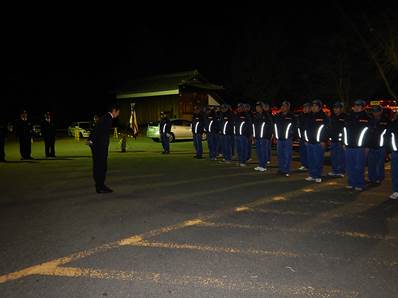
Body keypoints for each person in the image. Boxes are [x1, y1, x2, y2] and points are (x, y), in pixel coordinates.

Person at [88, 104, 120, 193]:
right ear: (114, 111)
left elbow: (96, 128)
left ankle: (99, 185)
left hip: (97, 146)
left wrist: (90, 140)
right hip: (100, 147)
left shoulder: (104, 117)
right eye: (118, 112)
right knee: (101, 166)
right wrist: (91, 140)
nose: (118, 114)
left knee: (98, 166)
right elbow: (98, 130)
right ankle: (100, 186)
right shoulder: (108, 118)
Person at [344, 99, 371, 191]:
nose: (357, 107)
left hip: (360, 146)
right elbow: (344, 131)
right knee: (350, 166)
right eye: (355, 105)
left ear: (363, 107)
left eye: (359, 106)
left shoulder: (367, 117)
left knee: (359, 166)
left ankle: (360, 183)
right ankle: (351, 182)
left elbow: (370, 134)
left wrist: (367, 146)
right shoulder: (349, 116)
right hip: (349, 145)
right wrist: (344, 142)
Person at [304, 100, 329, 183]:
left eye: (315, 106)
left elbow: (327, 130)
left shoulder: (324, 117)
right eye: (312, 106)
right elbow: (306, 129)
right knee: (311, 159)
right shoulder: (309, 116)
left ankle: (318, 175)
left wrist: (324, 141)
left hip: (319, 142)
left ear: (319, 107)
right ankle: (312, 175)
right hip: (310, 141)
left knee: (318, 159)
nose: (313, 107)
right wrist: (306, 140)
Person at [367, 105, 390, 184]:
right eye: (373, 111)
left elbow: (389, 136)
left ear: (381, 111)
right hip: (371, 146)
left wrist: (387, 149)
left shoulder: (386, 121)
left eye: (377, 111)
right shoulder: (370, 120)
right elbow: (367, 134)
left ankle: (379, 178)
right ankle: (371, 178)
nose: (375, 113)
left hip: (381, 146)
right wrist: (366, 146)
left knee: (380, 164)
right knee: (371, 164)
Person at [274, 101, 295, 176]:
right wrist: (275, 136)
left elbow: (295, 127)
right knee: (280, 155)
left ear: (288, 107)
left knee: (287, 155)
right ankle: (281, 169)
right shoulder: (278, 115)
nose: (283, 107)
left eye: (285, 106)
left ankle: (286, 170)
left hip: (287, 139)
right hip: (279, 138)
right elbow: (275, 126)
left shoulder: (291, 116)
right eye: (282, 106)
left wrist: (292, 135)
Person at [253, 101, 273, 172]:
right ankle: (260, 164)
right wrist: (254, 136)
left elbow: (270, 126)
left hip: (264, 137)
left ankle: (263, 166)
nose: (257, 108)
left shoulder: (267, 115)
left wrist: (268, 136)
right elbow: (254, 126)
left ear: (262, 108)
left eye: (258, 107)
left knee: (263, 151)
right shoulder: (256, 115)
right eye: (256, 107)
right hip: (258, 137)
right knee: (259, 151)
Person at [328, 102, 346, 178]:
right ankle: (335, 170)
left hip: (341, 141)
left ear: (341, 109)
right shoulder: (332, 117)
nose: (335, 109)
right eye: (334, 108)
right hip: (333, 140)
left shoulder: (345, 117)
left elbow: (346, 130)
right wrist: (329, 138)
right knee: (333, 156)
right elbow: (329, 129)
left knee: (341, 156)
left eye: (337, 108)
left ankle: (341, 171)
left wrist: (344, 141)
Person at [296, 102, 311, 171]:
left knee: (309, 153)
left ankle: (308, 165)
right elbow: (298, 127)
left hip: (308, 138)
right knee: (302, 152)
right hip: (301, 137)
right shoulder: (301, 116)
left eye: (306, 107)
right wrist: (299, 136)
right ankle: (303, 165)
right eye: (304, 108)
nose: (305, 109)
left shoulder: (311, 116)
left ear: (310, 108)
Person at [387, 114, 398, 199]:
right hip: (395, 151)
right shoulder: (393, 123)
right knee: (395, 172)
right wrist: (388, 151)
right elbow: (387, 137)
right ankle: (396, 191)